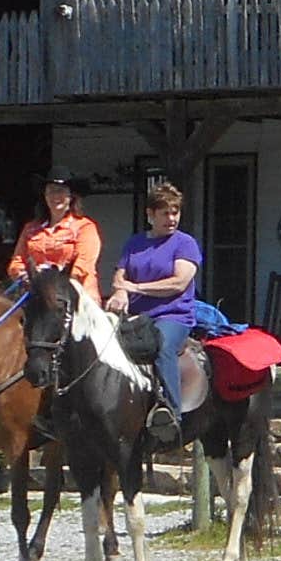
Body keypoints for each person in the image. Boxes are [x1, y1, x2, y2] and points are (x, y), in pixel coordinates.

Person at [107, 175, 201, 445]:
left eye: (175, 212)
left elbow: (178, 282)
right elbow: (118, 279)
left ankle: (170, 413)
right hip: (137, 317)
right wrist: (121, 291)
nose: (171, 218)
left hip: (173, 316)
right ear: (150, 214)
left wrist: (134, 288)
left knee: (160, 346)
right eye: (165, 213)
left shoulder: (185, 244)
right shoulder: (134, 243)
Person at [8, 173, 103, 296]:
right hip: (37, 296)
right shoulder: (30, 229)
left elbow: (83, 265)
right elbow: (17, 261)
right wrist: (23, 275)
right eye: (51, 191)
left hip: (76, 295)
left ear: (71, 196)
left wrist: (52, 281)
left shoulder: (85, 227)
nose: (56, 196)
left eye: (61, 191)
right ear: (45, 196)